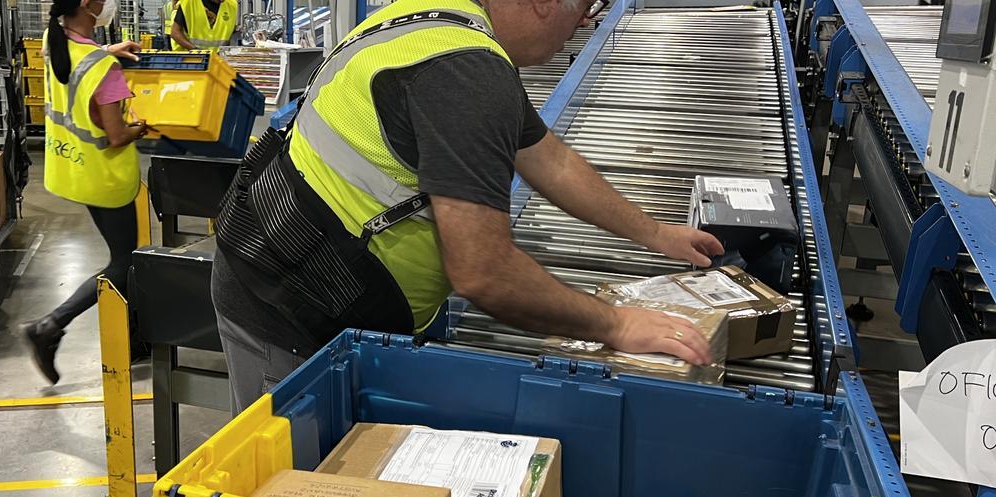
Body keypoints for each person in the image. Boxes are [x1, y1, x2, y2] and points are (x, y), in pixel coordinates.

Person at [211, 0, 727, 412]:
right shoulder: (466, 74)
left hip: (330, 278)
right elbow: (484, 274)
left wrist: (656, 234)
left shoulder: (438, 19)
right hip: (287, 306)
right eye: (586, 10)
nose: (585, 26)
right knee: (292, 492)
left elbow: (550, 159)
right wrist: (616, 324)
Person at [22, 0, 150, 385]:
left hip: (71, 168)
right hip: (104, 176)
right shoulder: (104, 71)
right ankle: (50, 325)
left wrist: (108, 50)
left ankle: (135, 338)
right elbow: (116, 136)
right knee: (123, 263)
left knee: (125, 258)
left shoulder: (53, 38)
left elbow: (73, 59)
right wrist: (140, 127)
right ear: (86, 5)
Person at [168, 0, 238, 51]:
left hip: (217, 61)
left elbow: (232, 32)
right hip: (190, 59)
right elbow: (175, 32)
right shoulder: (189, 3)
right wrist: (196, 50)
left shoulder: (232, 5)